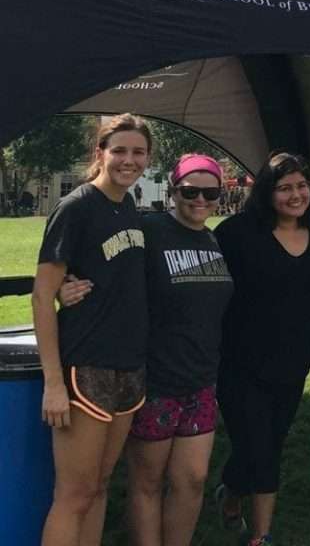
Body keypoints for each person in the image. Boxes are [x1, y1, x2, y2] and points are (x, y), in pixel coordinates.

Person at [58, 154, 234, 546]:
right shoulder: (149, 229)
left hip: (201, 381)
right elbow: (101, 261)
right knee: (148, 483)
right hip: (153, 381)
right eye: (190, 191)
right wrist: (64, 285)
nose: (200, 200)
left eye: (210, 192)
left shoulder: (211, 238)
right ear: (173, 190)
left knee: (193, 479)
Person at [32, 113, 152, 546]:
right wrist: (52, 383)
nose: (128, 159)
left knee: (99, 486)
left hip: (128, 365)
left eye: (138, 152)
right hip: (86, 367)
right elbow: (42, 295)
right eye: (119, 150)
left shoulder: (129, 207)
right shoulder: (76, 207)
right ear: (100, 153)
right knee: (74, 494)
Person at [214, 152, 310, 546]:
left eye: (300, 186)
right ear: (267, 192)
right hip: (240, 362)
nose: (295, 195)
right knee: (259, 446)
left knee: (269, 441)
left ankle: (230, 492)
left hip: (293, 362)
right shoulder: (235, 233)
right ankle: (262, 536)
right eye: (284, 188)